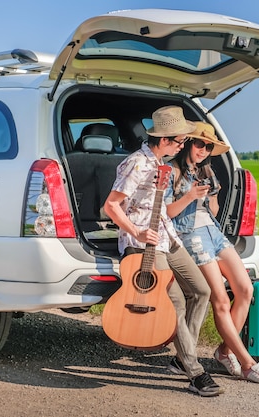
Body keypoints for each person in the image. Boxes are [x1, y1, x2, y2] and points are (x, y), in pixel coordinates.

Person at [103, 106, 222, 397]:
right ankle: (195, 372)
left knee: (202, 290)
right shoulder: (137, 164)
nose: (183, 146)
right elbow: (111, 205)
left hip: (167, 237)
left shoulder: (160, 163)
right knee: (176, 303)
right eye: (181, 141)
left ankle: (183, 358)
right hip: (144, 244)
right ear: (166, 139)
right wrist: (136, 232)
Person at [165, 121, 259, 384]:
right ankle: (248, 364)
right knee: (221, 301)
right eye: (199, 144)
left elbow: (213, 209)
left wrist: (210, 198)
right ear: (187, 144)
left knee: (245, 291)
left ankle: (225, 351)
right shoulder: (171, 170)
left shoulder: (207, 171)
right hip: (190, 235)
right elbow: (167, 213)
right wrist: (191, 196)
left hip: (214, 233)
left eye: (208, 146)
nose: (203, 150)